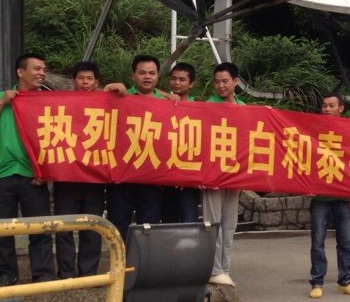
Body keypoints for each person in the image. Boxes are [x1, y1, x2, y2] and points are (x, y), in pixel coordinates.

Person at [0, 53, 54, 286]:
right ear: (21, 72)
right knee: (2, 228)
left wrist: (46, 171)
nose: (41, 73)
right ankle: (6, 275)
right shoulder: (1, 97)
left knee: (39, 228)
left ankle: (42, 274)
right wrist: (2, 102)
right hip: (2, 172)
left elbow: (56, 140)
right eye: (36, 68)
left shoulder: (48, 101)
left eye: (44, 69)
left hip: (34, 175)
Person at [104, 54, 166, 243]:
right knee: (117, 227)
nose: (147, 77)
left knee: (149, 229)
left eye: (152, 73)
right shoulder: (119, 97)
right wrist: (107, 89)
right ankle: (119, 262)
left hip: (152, 177)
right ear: (133, 75)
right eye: (142, 73)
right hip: (121, 178)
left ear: (158, 76)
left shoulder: (169, 104)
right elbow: (95, 108)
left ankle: (145, 262)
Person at [54, 61, 107, 278]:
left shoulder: (106, 104)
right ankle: (66, 272)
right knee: (64, 226)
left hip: (94, 177)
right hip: (66, 176)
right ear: (73, 81)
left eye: (89, 79)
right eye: (81, 78)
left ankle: (89, 272)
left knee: (92, 227)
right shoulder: (61, 103)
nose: (85, 82)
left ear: (97, 82)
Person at [308, 93, 350, 298]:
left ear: (341, 108)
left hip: (342, 195)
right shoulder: (313, 128)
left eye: (331, 105)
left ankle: (345, 281)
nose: (327, 109)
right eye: (324, 106)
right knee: (317, 242)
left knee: (345, 242)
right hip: (320, 197)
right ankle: (317, 282)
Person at [205, 62, 245, 287]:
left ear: (235, 82)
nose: (221, 86)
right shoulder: (209, 106)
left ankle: (225, 268)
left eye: (225, 81)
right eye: (217, 82)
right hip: (213, 173)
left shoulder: (244, 107)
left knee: (229, 223)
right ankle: (214, 269)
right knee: (214, 222)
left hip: (235, 173)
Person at [162, 62, 201, 223]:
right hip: (164, 177)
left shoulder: (199, 108)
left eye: (182, 79)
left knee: (189, 223)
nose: (177, 83)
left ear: (191, 84)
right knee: (167, 224)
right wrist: (166, 96)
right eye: (173, 78)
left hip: (188, 179)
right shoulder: (160, 104)